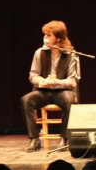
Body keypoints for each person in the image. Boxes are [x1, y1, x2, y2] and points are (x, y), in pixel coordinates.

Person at [21, 20, 80, 152]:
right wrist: (41, 81)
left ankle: (64, 138)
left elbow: (72, 81)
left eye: (48, 35)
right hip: (44, 91)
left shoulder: (71, 54)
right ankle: (34, 139)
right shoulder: (39, 52)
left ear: (58, 38)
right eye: (45, 35)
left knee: (69, 100)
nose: (44, 38)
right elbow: (33, 75)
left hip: (62, 91)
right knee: (26, 100)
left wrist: (56, 82)